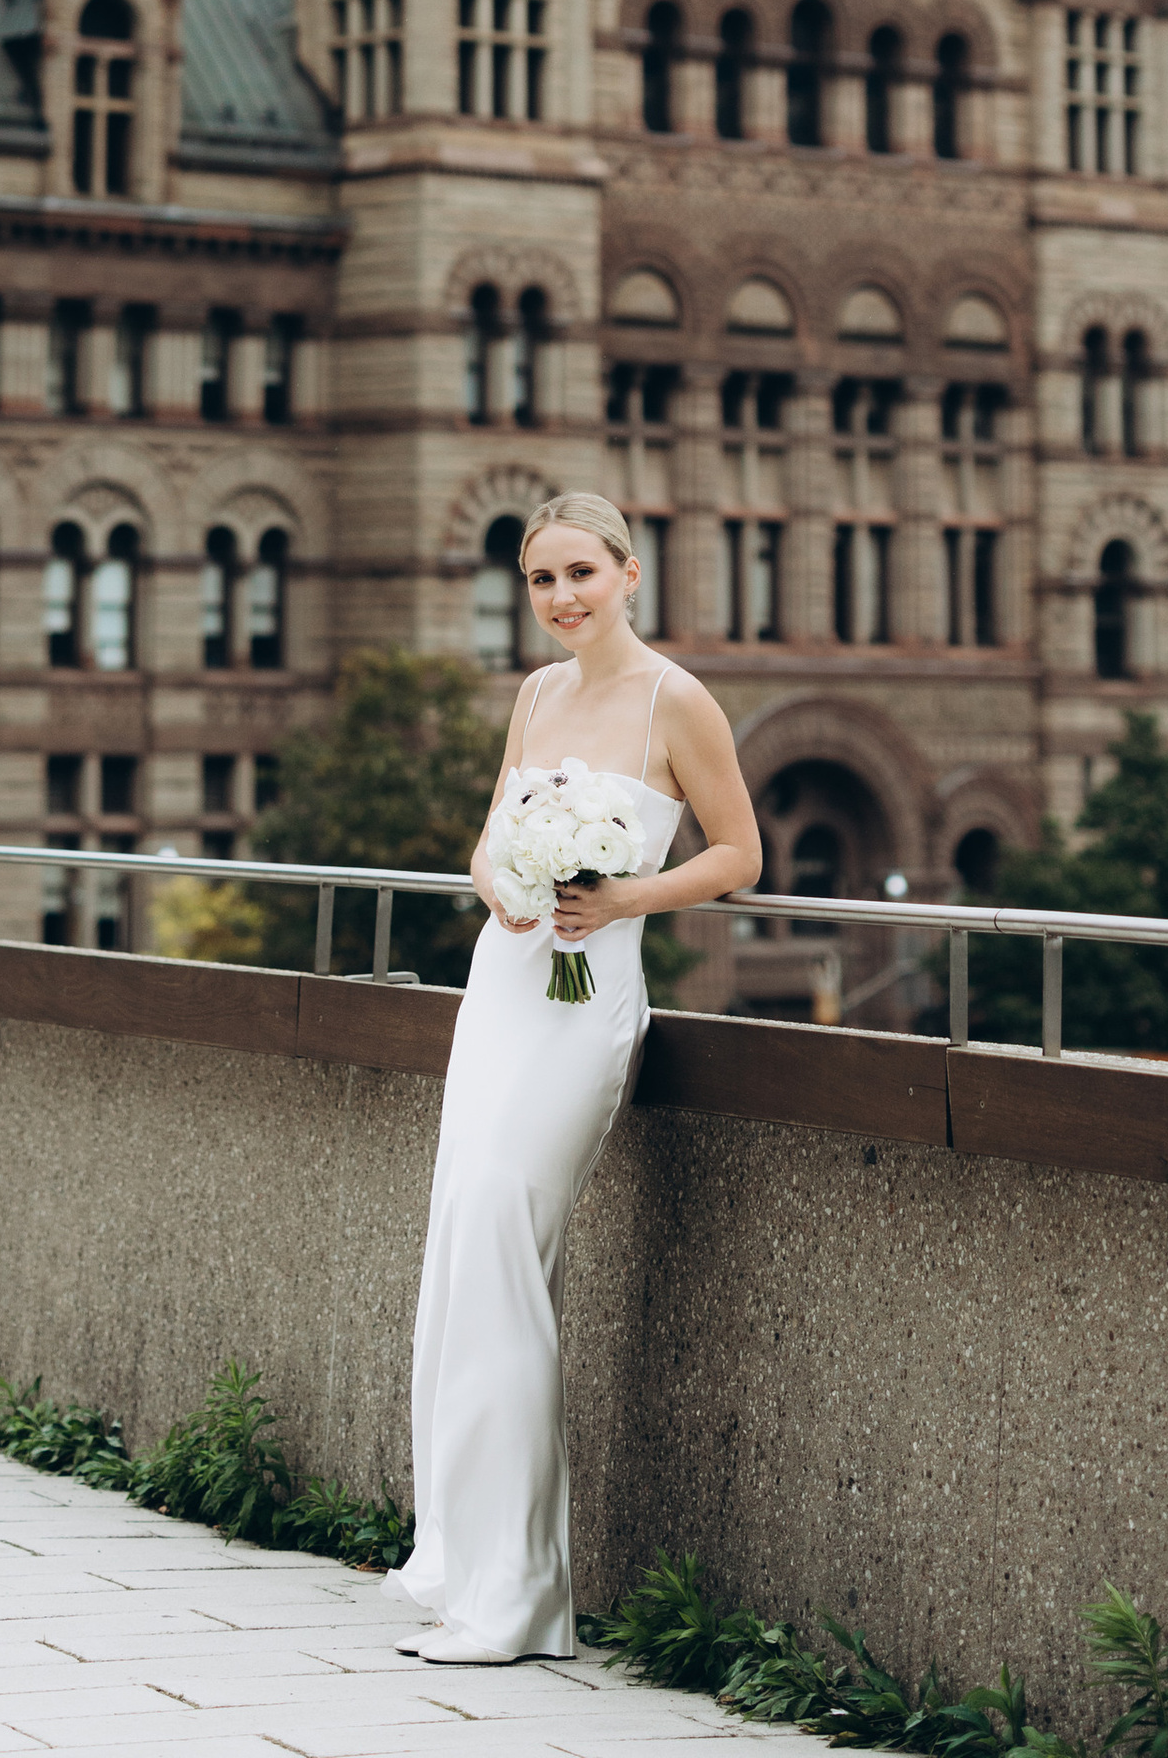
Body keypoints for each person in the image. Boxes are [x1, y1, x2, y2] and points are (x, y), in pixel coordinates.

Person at [386, 492, 760, 1665]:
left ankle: (521, 1597)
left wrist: (619, 898)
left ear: (631, 573)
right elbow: (487, 837)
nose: (561, 598)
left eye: (581, 573)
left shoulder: (675, 699)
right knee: (465, 1246)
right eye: (541, 579)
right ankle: (485, 1575)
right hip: (501, 987)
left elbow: (739, 854)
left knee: (504, 1233)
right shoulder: (536, 694)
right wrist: (503, 887)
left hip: (588, 1000)